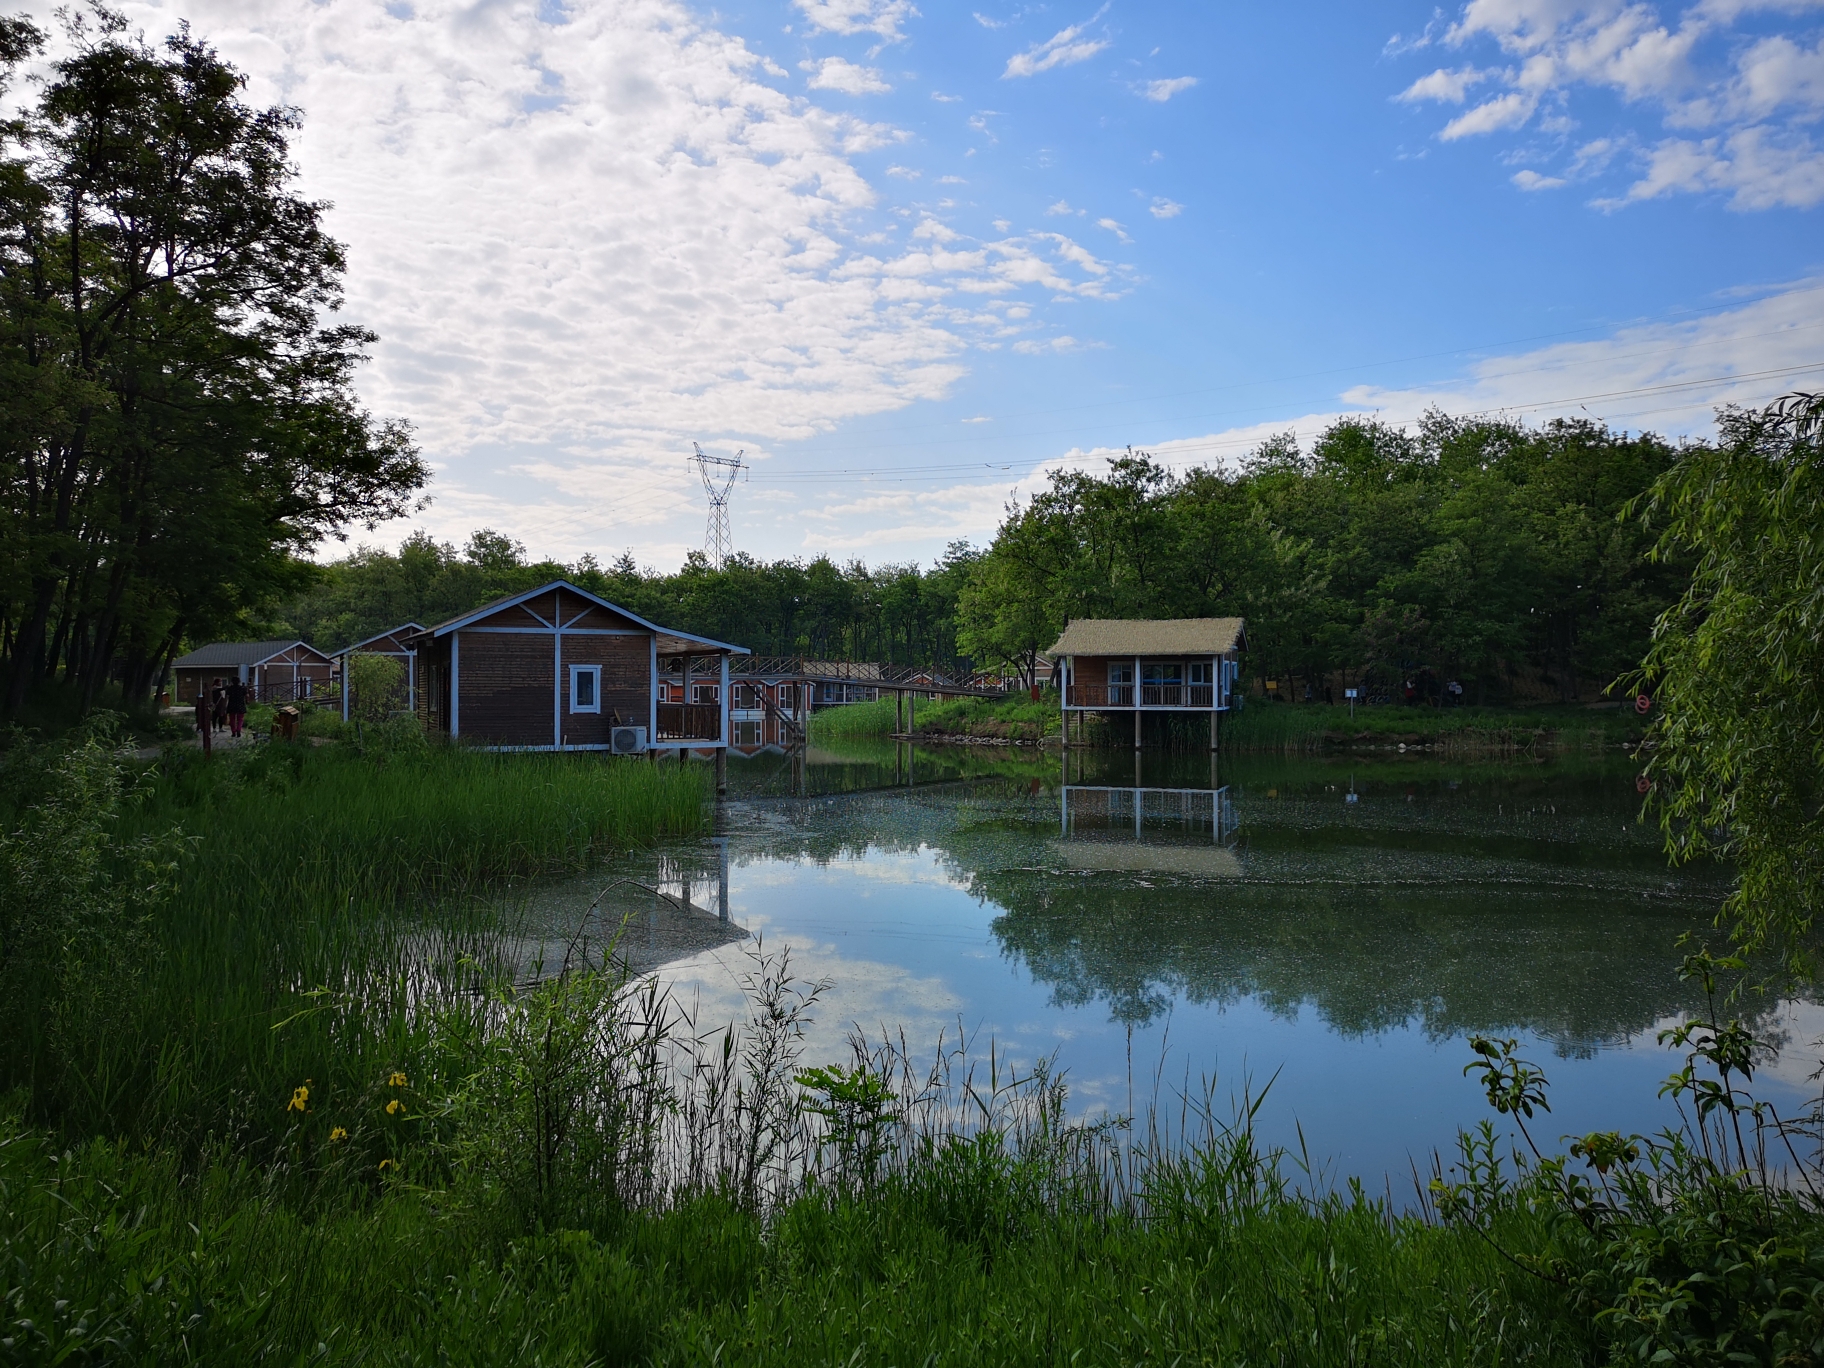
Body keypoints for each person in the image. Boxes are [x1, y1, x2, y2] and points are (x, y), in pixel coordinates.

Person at [193, 681, 213, 757]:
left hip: (200, 714)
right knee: (199, 721)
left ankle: (199, 728)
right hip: (200, 714)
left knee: (200, 721)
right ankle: (200, 728)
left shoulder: (199, 704)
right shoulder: (200, 704)